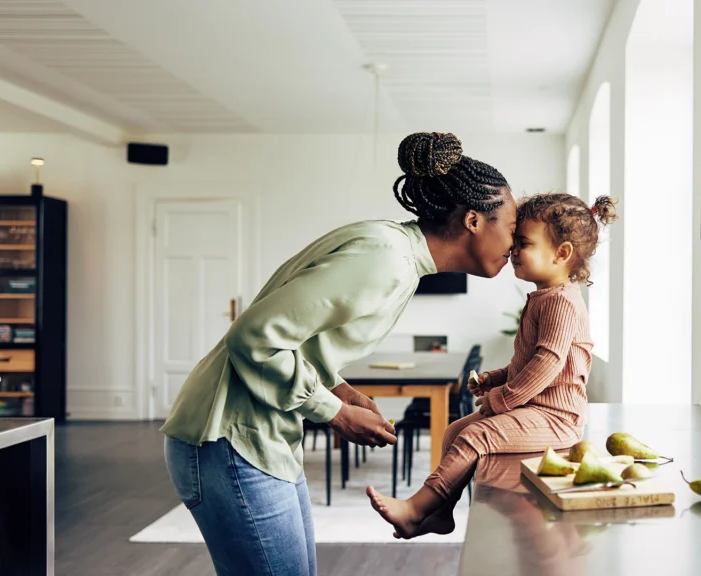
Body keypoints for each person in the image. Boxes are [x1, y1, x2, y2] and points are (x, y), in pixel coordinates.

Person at [159, 132, 518, 576]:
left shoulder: (397, 255)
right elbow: (253, 337)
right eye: (512, 227)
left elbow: (298, 339)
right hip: (228, 438)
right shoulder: (385, 259)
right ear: (473, 220)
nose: (516, 244)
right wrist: (333, 413)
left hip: (257, 436)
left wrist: (339, 388)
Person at [366, 192, 619, 539]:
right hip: (535, 409)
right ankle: (441, 513)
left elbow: (547, 363)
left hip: (558, 418)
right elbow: (528, 362)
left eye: (524, 243)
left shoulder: (561, 303)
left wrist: (503, 397)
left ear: (562, 254)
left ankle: (415, 509)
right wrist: (495, 378)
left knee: (475, 436)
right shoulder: (544, 298)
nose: (513, 250)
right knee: (455, 431)